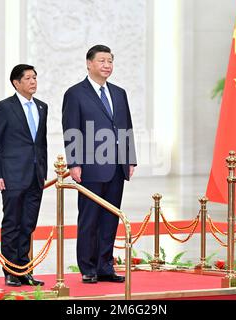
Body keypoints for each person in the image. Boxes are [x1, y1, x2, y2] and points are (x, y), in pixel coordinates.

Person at [62, 45, 137, 284]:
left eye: (110, 61)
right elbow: (72, 130)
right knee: (89, 218)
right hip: (90, 167)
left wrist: (130, 158)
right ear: (89, 63)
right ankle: (88, 267)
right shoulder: (75, 93)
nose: (107, 65)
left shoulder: (119, 92)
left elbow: (126, 127)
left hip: (116, 166)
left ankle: (105, 266)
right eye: (102, 61)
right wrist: (74, 163)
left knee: (110, 218)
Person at [0, 64, 48, 287]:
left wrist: (44, 171)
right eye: (28, 78)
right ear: (16, 83)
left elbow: (41, 144)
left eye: (35, 78)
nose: (33, 82)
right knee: (12, 224)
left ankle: (25, 270)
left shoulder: (42, 107)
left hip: (35, 176)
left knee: (28, 224)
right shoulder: (4, 108)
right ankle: (11, 271)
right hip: (12, 175)